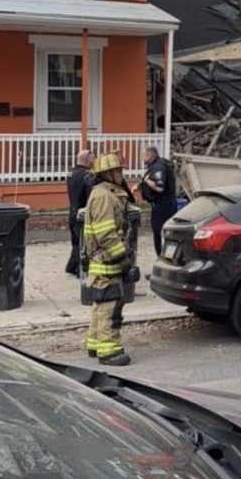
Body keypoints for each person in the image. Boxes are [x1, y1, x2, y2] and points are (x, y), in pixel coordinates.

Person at [84, 152, 132, 366]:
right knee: (110, 305)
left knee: (100, 303)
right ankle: (109, 351)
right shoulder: (104, 195)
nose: (121, 174)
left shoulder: (104, 192)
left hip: (102, 259)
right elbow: (105, 232)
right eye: (118, 171)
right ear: (108, 173)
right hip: (107, 260)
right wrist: (122, 255)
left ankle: (95, 344)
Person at [134, 146, 177, 256]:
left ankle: (163, 257)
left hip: (163, 206)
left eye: (144, 155)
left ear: (150, 155)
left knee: (160, 232)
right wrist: (139, 186)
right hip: (161, 205)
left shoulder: (159, 166)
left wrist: (147, 181)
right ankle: (164, 256)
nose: (142, 158)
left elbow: (159, 187)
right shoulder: (155, 165)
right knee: (160, 232)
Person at [65, 150, 94, 276]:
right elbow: (90, 197)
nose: (94, 161)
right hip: (82, 214)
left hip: (72, 211)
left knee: (76, 242)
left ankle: (71, 266)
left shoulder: (71, 173)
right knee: (83, 243)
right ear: (87, 160)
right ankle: (79, 269)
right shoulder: (87, 176)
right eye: (93, 158)